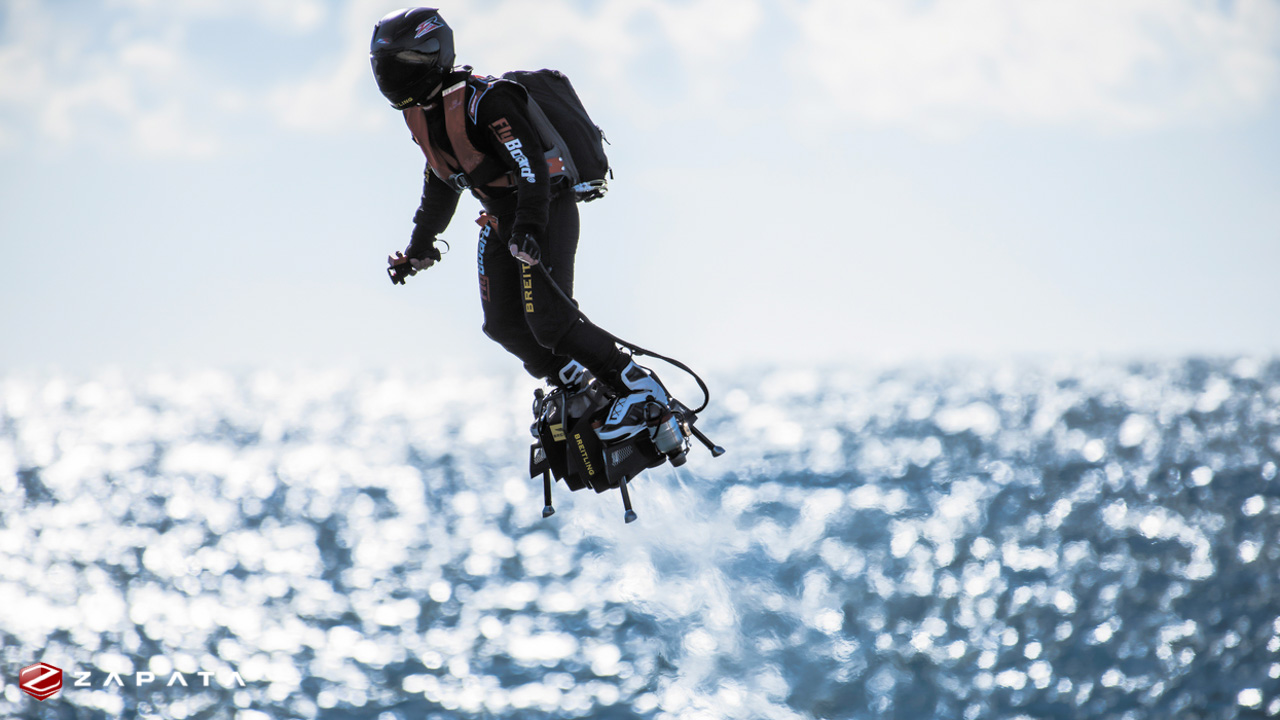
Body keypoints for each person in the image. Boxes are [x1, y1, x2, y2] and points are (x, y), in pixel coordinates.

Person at [370, 7, 665, 442]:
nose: (392, 77)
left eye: (401, 66)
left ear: (434, 55)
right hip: (500, 217)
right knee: (503, 325)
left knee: (551, 321)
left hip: (543, 206)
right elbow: (441, 181)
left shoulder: (487, 101)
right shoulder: (423, 114)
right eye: (385, 68)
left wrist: (528, 227)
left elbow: (532, 168)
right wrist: (418, 248)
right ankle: (575, 385)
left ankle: (639, 387)